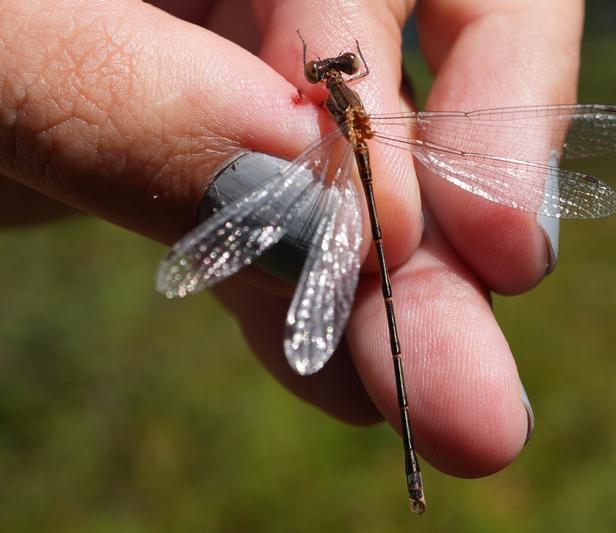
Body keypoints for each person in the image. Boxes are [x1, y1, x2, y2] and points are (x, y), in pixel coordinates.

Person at [0, 0, 580, 478]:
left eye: (330, 70)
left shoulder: (324, 98)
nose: (326, 72)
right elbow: (343, 82)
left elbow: (305, 95)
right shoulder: (345, 94)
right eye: (324, 70)